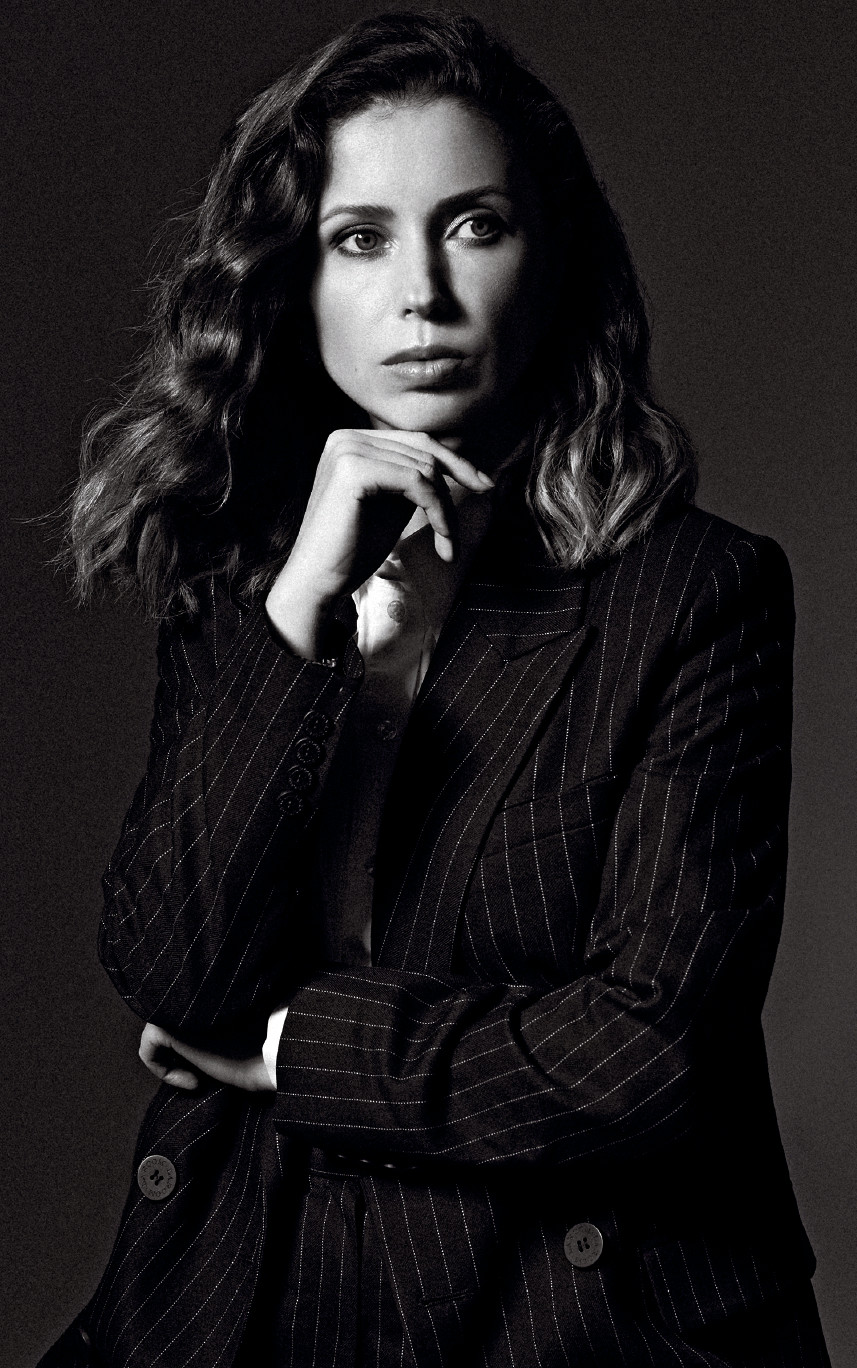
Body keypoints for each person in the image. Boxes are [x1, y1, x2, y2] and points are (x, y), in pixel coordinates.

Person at [41, 12, 830, 1367]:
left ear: (551, 256)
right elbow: (176, 971)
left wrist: (290, 1054)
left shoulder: (693, 592)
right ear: (291, 279)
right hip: (254, 1275)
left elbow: (644, 1058)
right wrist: (299, 607)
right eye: (359, 238)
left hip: (559, 1306)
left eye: (474, 226)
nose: (422, 293)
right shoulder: (241, 582)